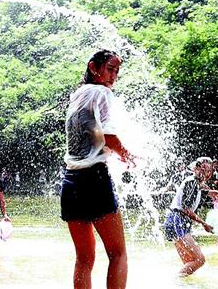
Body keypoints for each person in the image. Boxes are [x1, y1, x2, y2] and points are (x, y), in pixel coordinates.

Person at [61, 49, 136, 289]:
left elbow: (91, 136)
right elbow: (109, 136)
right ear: (93, 67)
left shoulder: (77, 97)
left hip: (70, 182)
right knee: (118, 254)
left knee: (84, 258)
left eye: (117, 71)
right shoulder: (102, 93)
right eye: (110, 69)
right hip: (95, 179)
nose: (114, 76)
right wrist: (128, 156)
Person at [163, 157, 218, 276]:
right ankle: (172, 282)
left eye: (208, 171)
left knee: (190, 263)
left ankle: (179, 284)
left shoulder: (195, 183)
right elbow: (186, 209)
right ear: (196, 169)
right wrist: (204, 223)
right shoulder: (192, 182)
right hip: (177, 220)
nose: (206, 174)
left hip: (175, 221)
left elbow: (204, 191)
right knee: (199, 260)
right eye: (203, 170)